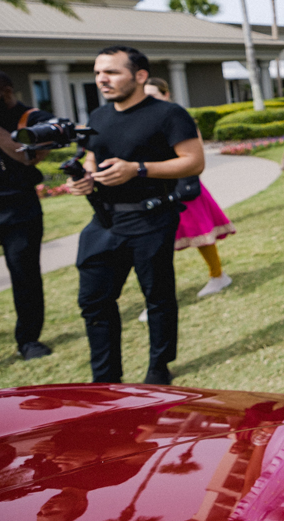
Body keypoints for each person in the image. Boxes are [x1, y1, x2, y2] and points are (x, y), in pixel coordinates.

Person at [65, 46, 205, 385]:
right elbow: (92, 159)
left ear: (140, 76)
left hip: (150, 219)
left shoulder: (169, 114)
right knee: (94, 301)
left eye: (111, 72)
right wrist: (84, 179)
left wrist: (138, 169)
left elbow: (194, 161)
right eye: (98, 73)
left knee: (157, 297)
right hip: (104, 222)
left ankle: (159, 367)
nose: (102, 79)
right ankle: (105, 379)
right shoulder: (98, 117)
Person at [143, 78, 233, 301]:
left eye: (153, 95)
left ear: (166, 95)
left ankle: (218, 275)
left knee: (200, 233)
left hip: (183, 185)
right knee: (156, 243)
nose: (148, 101)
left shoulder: (178, 118)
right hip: (156, 188)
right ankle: (159, 292)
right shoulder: (145, 120)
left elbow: (194, 154)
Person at [0, 71, 52, 361]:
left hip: (18, 208)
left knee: (24, 274)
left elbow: (29, 157)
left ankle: (29, 340)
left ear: (5, 91)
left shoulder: (32, 118)